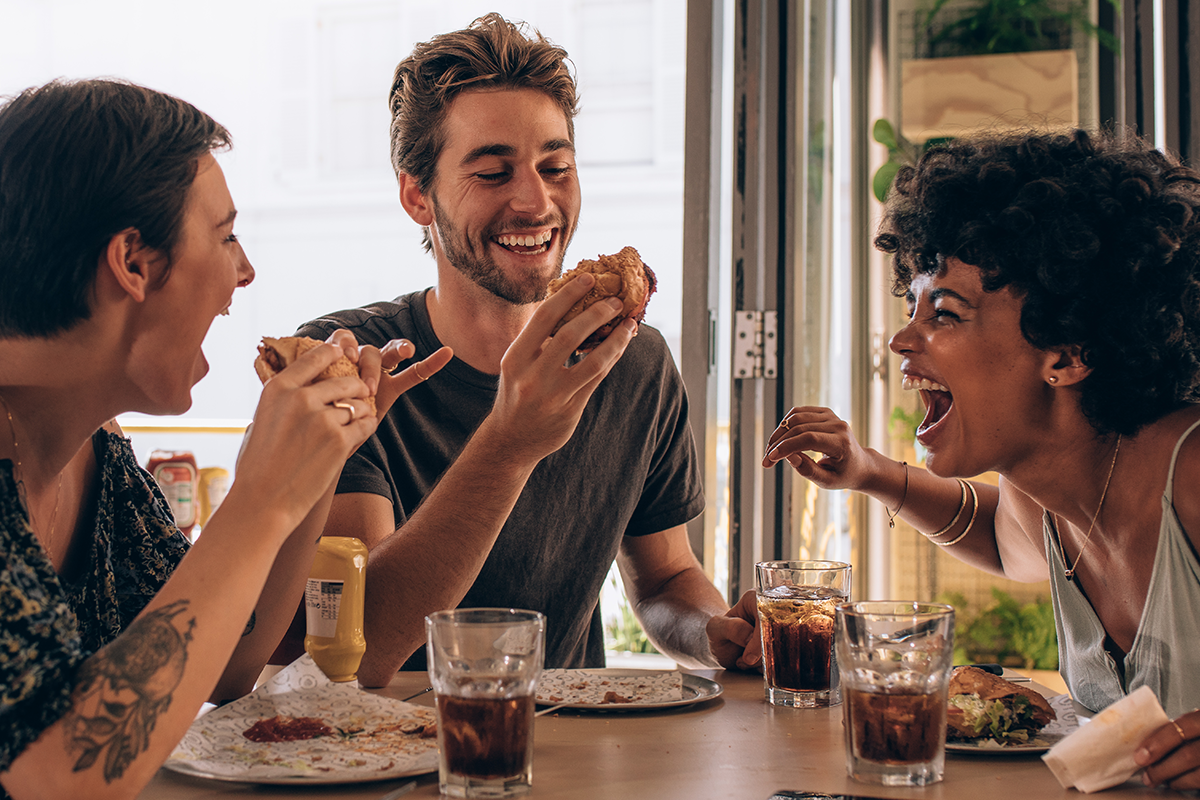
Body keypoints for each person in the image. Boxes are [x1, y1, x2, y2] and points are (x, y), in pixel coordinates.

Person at [0, 79, 446, 800]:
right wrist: (262, 495)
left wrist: (322, 456)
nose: (245, 272)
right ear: (134, 264)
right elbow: (61, 772)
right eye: (226, 235)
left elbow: (228, 660)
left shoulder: (96, 451)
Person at [296, 13, 757, 686]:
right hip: (384, 756)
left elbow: (666, 579)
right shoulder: (347, 366)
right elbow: (353, 650)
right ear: (417, 196)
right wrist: (511, 440)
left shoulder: (634, 361)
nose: (536, 201)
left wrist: (714, 633)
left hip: (569, 754)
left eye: (556, 166)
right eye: (492, 172)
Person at [762, 128, 1200, 791]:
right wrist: (869, 472)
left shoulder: (1192, 476)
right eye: (912, 310)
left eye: (946, 315)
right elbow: (998, 536)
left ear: (1066, 355)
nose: (903, 339)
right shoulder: (1046, 499)